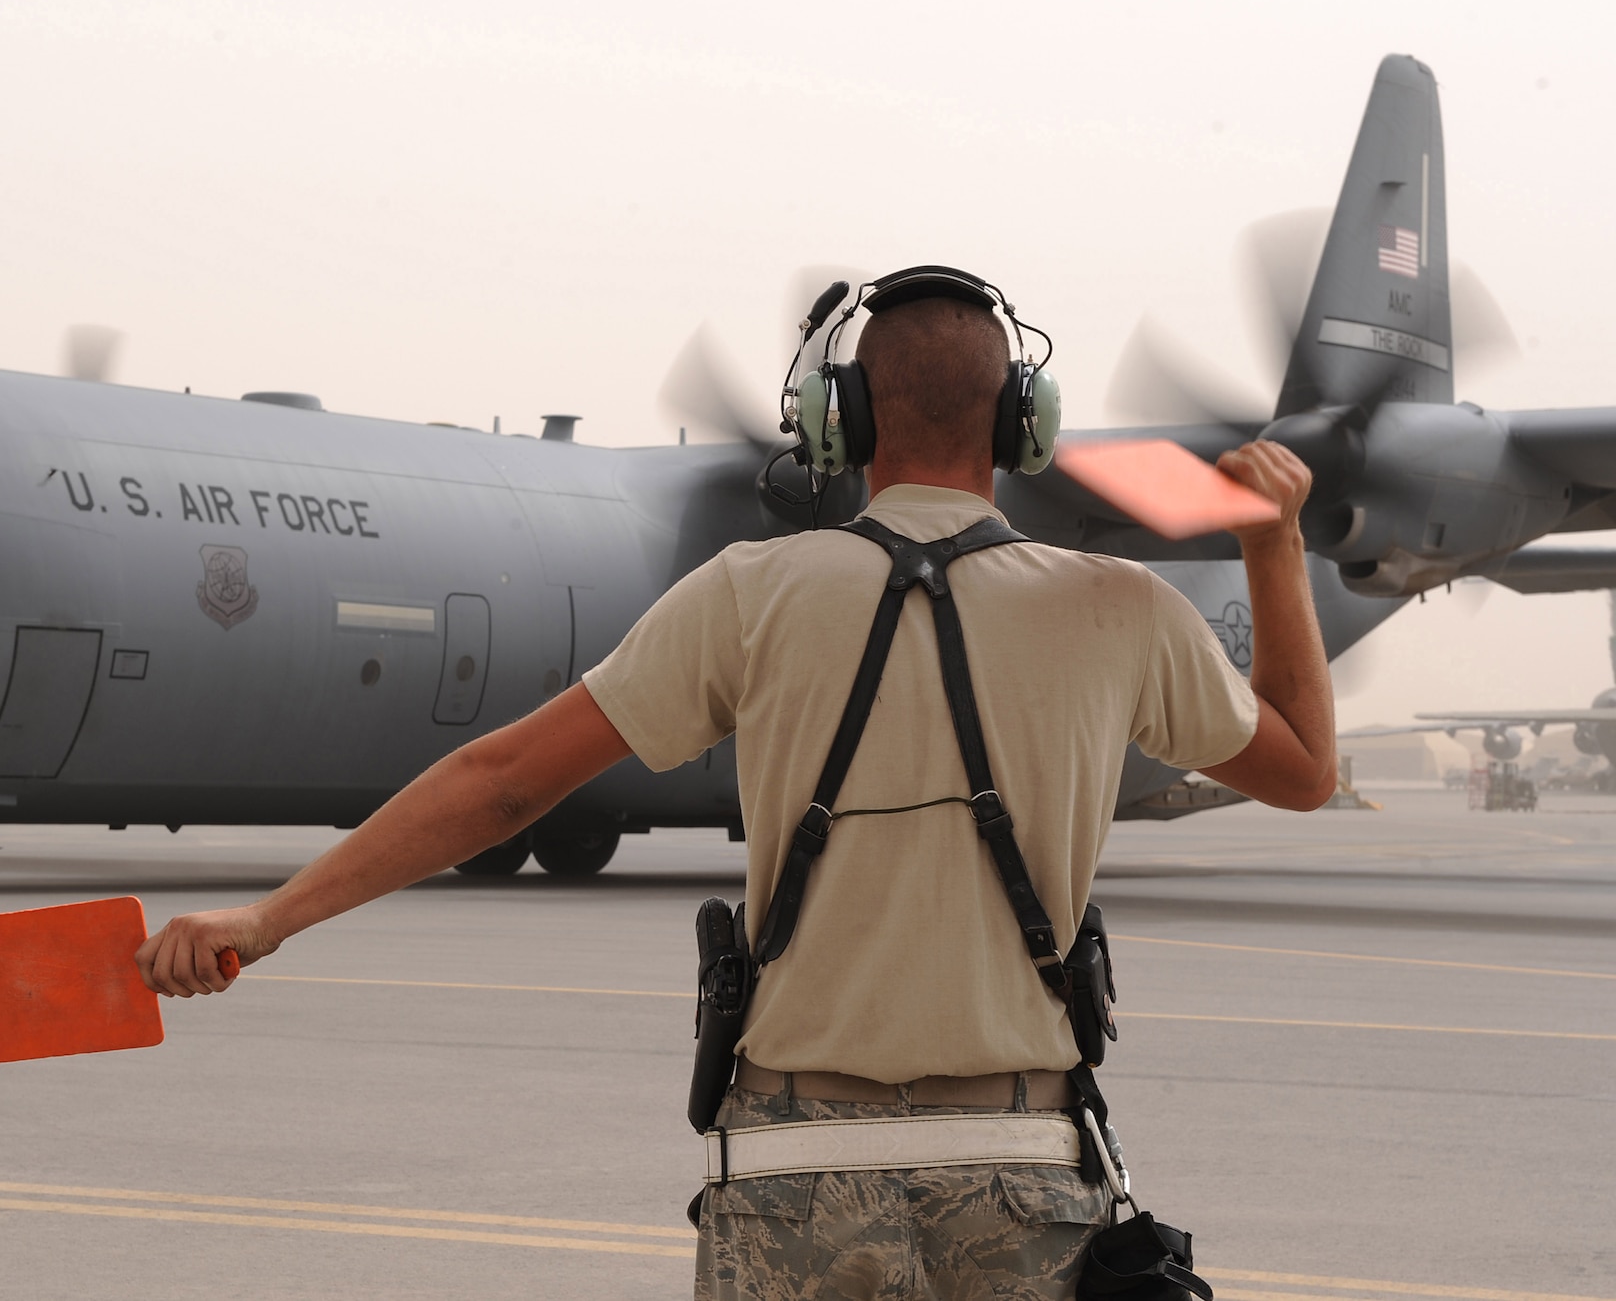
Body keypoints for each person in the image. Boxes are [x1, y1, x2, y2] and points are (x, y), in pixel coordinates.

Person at [136, 279, 1332, 1300]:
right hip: (1020, 1174)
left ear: (838, 420)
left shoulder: (746, 592)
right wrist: (1270, 542)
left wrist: (265, 915)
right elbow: (1299, 769)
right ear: (1025, 423)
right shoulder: (1117, 607)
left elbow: (499, 782)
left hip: (790, 1181)